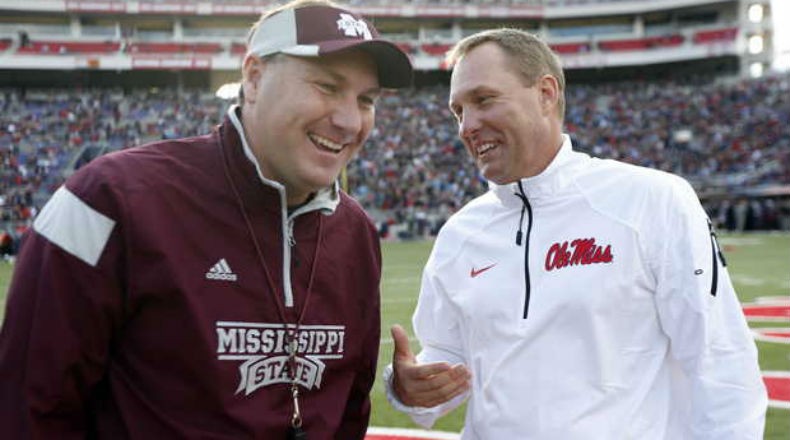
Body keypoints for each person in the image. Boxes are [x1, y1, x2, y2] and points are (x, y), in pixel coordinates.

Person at [0, 1, 412, 438]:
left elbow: (347, 414)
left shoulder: (357, 233)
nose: (349, 121)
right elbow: (28, 408)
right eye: (327, 87)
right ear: (253, 78)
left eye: (366, 100)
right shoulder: (108, 199)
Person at [384, 29, 766, 439]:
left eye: (483, 100)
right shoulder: (460, 233)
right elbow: (447, 358)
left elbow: (721, 361)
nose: (467, 126)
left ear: (546, 93)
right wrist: (410, 387)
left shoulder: (652, 200)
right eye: (458, 110)